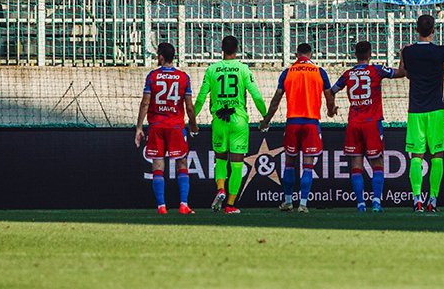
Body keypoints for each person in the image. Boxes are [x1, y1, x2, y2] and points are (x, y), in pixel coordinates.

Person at [258, 43, 337, 212]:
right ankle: (303, 204)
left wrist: (266, 120)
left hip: (293, 122)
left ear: (296, 55)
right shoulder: (319, 72)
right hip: (311, 123)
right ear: (311, 54)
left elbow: (276, 98)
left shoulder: (288, 72)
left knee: (289, 163)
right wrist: (331, 111)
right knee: (308, 165)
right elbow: (330, 96)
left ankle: (287, 201)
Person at [194, 35, 267, 214]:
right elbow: (256, 96)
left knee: (220, 160)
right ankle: (230, 205)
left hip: (219, 120)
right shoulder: (243, 69)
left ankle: (220, 189)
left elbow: (201, 98)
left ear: (221, 49)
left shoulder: (212, 69)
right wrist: (266, 116)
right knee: (237, 165)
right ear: (237, 49)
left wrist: (191, 119)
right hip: (238, 121)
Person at [398, 13, 444, 213]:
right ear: (433, 30)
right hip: (437, 110)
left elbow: (404, 72)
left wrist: (401, 56)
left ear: (416, 29)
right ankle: (433, 199)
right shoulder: (440, 51)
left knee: (416, 155)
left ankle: (417, 200)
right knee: (437, 155)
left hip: (416, 110)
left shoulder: (408, 51)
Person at [332, 40, 399, 213]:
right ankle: (376, 202)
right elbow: (401, 73)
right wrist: (403, 57)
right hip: (371, 123)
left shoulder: (348, 74)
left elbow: (331, 90)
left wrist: (331, 108)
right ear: (370, 55)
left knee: (356, 163)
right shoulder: (377, 70)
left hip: (354, 123)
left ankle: (360, 204)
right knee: (377, 162)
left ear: (355, 55)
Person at [134, 40, 197, 215]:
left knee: (158, 165)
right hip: (176, 127)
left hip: (157, 127)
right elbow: (189, 106)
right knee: (182, 163)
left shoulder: (152, 76)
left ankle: (162, 207)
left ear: (161, 57)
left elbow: (145, 103)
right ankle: (183, 205)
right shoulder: (183, 77)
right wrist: (193, 125)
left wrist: (139, 127)